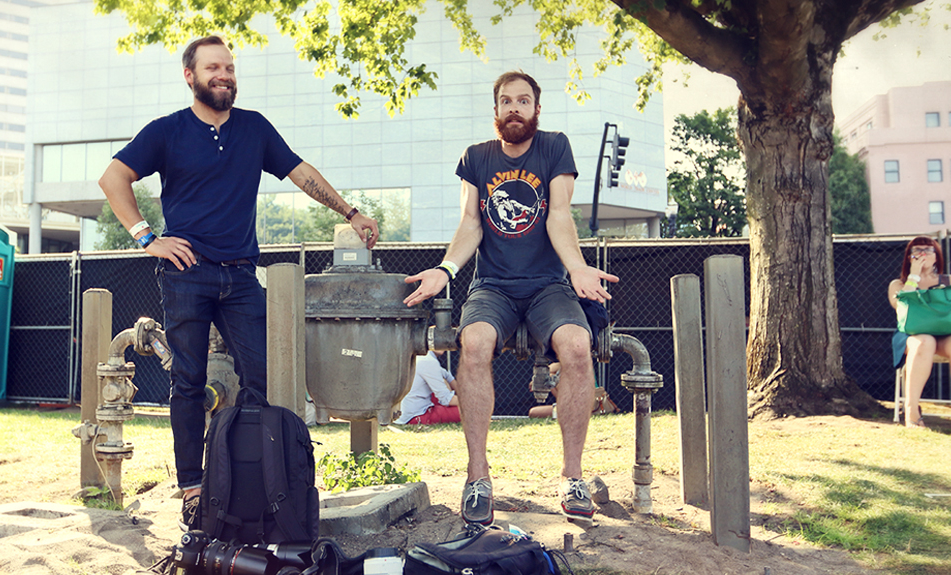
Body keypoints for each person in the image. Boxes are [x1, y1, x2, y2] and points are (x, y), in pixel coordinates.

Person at [98, 35, 379, 529]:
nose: (224, 74)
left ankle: (251, 475)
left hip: (241, 276)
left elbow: (300, 172)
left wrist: (351, 212)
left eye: (229, 67)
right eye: (213, 68)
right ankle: (193, 487)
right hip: (186, 275)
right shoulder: (167, 131)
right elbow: (113, 178)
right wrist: (148, 237)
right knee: (187, 383)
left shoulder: (253, 128)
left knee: (264, 376)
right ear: (191, 76)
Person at [403, 71, 618, 524]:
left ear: (536, 109)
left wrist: (577, 267)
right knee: (474, 343)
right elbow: (470, 223)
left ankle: (572, 476)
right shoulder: (477, 157)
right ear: (496, 111)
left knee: (578, 347)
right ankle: (477, 476)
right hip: (493, 286)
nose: (515, 108)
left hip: (548, 286)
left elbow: (558, 215)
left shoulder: (554, 146)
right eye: (506, 101)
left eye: (524, 101)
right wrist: (445, 269)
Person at [887, 236, 951, 429]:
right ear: (909, 257)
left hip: (948, 333)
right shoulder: (898, 284)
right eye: (916, 250)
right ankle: (912, 412)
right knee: (924, 341)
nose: (922, 253)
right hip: (912, 334)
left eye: (927, 249)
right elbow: (899, 305)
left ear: (936, 256)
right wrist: (914, 276)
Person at [395, 351, 460, 425]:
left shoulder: (420, 355)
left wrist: (463, 395)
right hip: (415, 416)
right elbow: (447, 399)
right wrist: (471, 403)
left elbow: (447, 376)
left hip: (403, 412)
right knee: (467, 412)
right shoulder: (428, 361)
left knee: (440, 389)